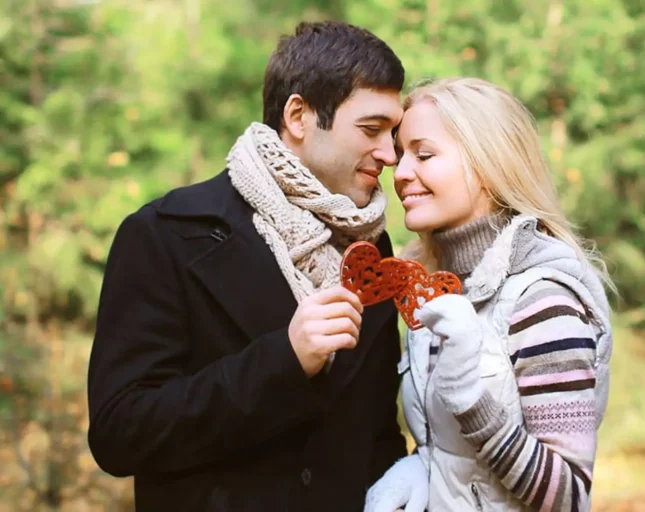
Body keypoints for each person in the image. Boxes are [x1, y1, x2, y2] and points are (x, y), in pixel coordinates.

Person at [87, 21, 408, 511]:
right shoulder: (164, 233)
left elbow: (378, 437)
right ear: (298, 116)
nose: (390, 154)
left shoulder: (371, 250)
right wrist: (284, 360)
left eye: (394, 133)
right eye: (371, 130)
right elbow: (119, 433)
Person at [365, 77, 614, 511]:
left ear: (487, 163)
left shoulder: (543, 301)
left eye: (423, 154)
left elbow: (569, 496)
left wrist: (469, 398)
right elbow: (454, 455)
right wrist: (419, 470)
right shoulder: (432, 287)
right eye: (401, 156)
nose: (401, 173)